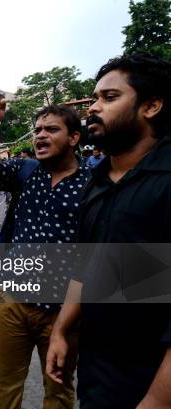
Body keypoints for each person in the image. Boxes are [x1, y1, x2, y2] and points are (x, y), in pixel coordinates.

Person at [47, 53, 171, 409]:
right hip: (98, 377)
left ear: (151, 106)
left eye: (109, 98)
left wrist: (157, 401)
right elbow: (87, 267)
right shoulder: (96, 184)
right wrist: (61, 330)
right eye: (95, 97)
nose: (93, 108)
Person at [0, 96, 89, 409]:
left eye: (51, 129)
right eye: (37, 130)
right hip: (14, 302)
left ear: (74, 138)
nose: (40, 135)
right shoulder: (25, 171)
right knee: (4, 386)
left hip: (64, 312)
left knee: (59, 390)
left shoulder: (93, 184)